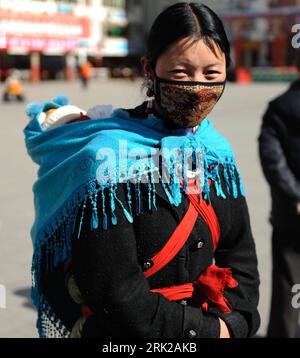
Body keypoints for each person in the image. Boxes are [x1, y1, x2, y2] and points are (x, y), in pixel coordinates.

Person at [24, 2, 260, 339]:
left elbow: (240, 253)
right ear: (150, 70)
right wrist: (207, 333)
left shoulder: (216, 151)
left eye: (211, 74)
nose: (198, 86)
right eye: (181, 73)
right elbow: (116, 290)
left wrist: (237, 322)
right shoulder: (106, 158)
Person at [258, 52, 300, 338]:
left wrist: (294, 196)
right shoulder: (282, 108)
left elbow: (272, 159)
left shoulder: (280, 107)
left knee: (289, 283)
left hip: (292, 211)